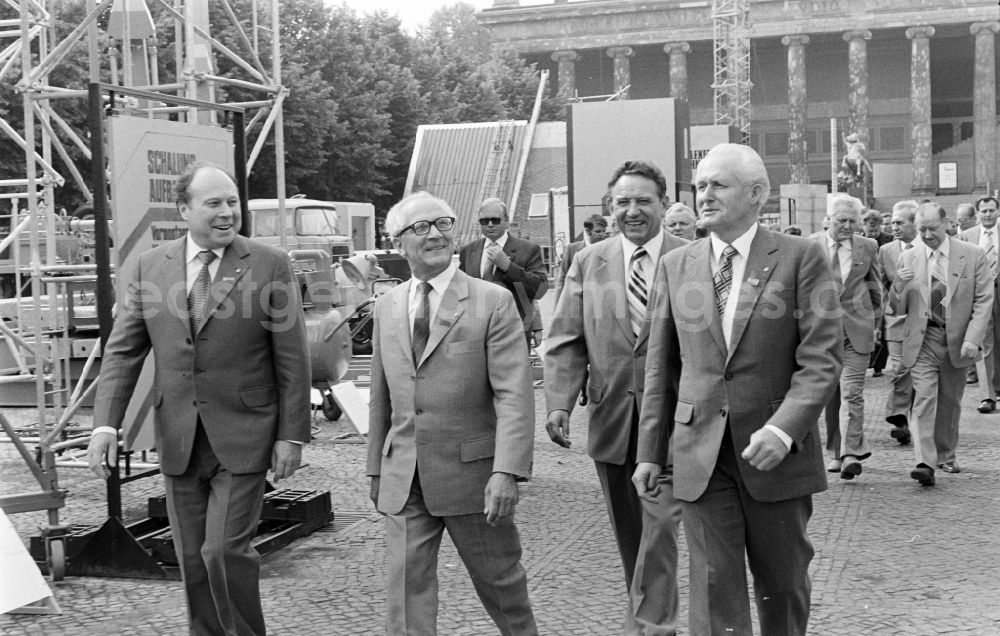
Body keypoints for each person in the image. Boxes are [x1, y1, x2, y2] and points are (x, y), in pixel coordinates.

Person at [86, 163, 311, 635]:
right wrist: (106, 424)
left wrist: (292, 434)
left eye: (232, 202)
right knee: (192, 560)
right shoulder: (152, 266)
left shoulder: (270, 264)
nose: (228, 212)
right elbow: (124, 352)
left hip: (245, 435)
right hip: (180, 439)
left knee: (223, 551)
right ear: (184, 209)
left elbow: (293, 359)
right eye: (214, 203)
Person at [633, 143, 841, 636]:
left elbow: (821, 359)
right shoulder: (676, 265)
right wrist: (649, 451)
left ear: (757, 194)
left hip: (774, 453)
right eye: (700, 185)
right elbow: (662, 369)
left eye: (717, 185)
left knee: (783, 583)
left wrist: (785, 429)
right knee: (712, 586)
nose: (704, 195)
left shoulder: (801, 257)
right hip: (700, 453)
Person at [367, 192, 537, 635]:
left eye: (443, 223)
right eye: (421, 227)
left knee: (502, 587)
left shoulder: (492, 302)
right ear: (399, 242)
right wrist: (375, 471)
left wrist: (507, 471)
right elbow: (381, 398)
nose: (436, 234)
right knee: (405, 595)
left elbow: (514, 395)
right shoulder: (386, 306)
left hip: (474, 479)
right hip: (406, 478)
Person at [545, 159, 686, 634]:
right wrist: (560, 402)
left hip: (672, 422)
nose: (632, 211)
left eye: (643, 200)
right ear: (610, 207)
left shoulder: (694, 258)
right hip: (612, 418)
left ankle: (651, 627)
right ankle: (645, 613)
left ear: (663, 204)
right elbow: (566, 338)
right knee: (632, 537)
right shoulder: (589, 261)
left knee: (661, 525)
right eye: (622, 201)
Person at [890, 202, 993, 485]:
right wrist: (898, 284)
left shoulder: (972, 255)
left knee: (949, 402)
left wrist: (973, 338)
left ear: (946, 224)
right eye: (921, 230)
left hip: (958, 340)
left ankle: (946, 454)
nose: (926, 235)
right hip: (924, 339)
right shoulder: (908, 258)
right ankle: (925, 462)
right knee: (923, 399)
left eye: (932, 229)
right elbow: (897, 308)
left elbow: (984, 300)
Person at [813, 194, 881, 479]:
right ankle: (835, 451)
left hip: (857, 329)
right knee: (830, 395)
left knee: (852, 392)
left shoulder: (868, 246)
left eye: (854, 221)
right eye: (842, 220)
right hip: (821, 332)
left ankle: (851, 452)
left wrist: (876, 322)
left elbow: (875, 286)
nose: (848, 226)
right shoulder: (808, 246)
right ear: (828, 219)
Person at [459, 197, 548, 341]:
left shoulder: (528, 250)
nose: (489, 225)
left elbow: (540, 289)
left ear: (506, 220)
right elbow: (460, 290)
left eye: (495, 220)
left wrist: (508, 267)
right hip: (476, 332)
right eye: (484, 221)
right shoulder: (469, 251)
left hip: (513, 331)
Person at [881, 200, 920, 445]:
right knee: (900, 369)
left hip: (925, 320)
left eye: (899, 222)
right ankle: (899, 419)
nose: (893, 227)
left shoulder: (929, 246)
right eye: (892, 222)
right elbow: (880, 286)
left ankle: (912, 417)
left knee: (918, 371)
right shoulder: (886, 251)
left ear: (913, 222)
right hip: (895, 320)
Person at [958, 196, 1000, 414]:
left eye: (991, 210)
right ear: (977, 213)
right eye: (983, 211)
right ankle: (987, 396)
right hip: (981, 295)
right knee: (984, 343)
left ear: (997, 211)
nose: (987, 215)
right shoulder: (966, 236)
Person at [556, 213, 608, 300]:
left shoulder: (609, 249)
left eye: (604, 231)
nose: (602, 235)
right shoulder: (572, 249)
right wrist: (557, 309)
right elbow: (561, 280)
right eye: (598, 231)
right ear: (588, 231)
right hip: (577, 302)